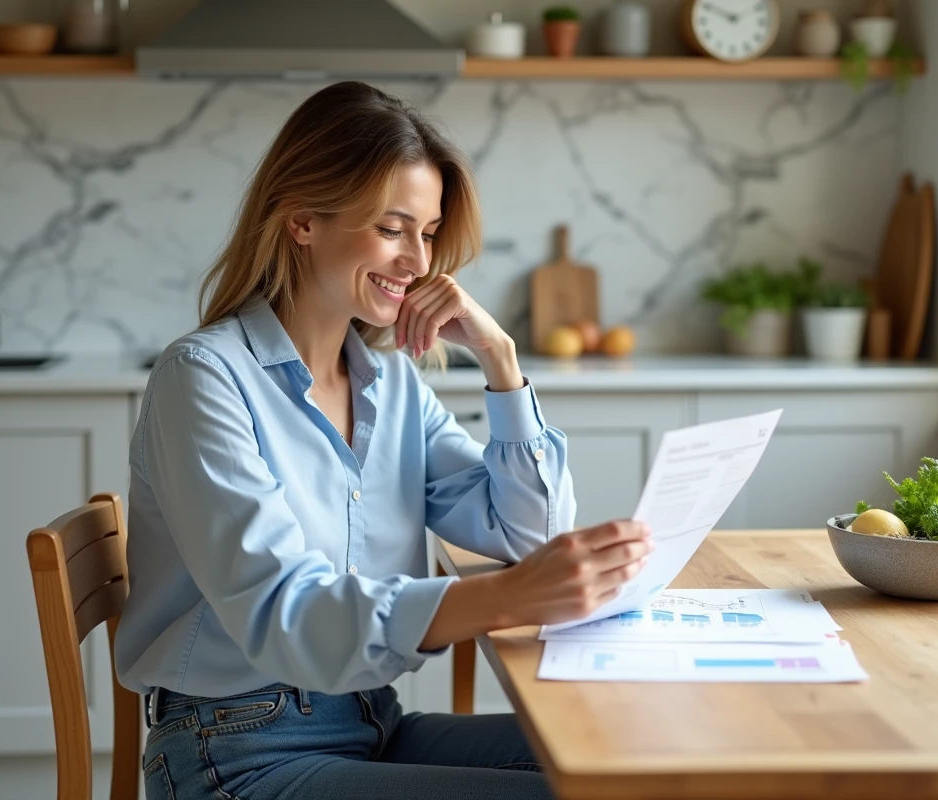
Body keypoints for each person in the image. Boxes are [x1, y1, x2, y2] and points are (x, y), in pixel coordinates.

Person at [115, 81, 653, 800]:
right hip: (235, 751)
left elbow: (530, 532)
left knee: (637, 756)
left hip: (371, 722)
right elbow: (283, 612)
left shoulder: (391, 384)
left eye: (427, 234)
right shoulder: (204, 378)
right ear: (303, 219)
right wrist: (502, 598)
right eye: (393, 228)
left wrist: (500, 360)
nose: (420, 262)